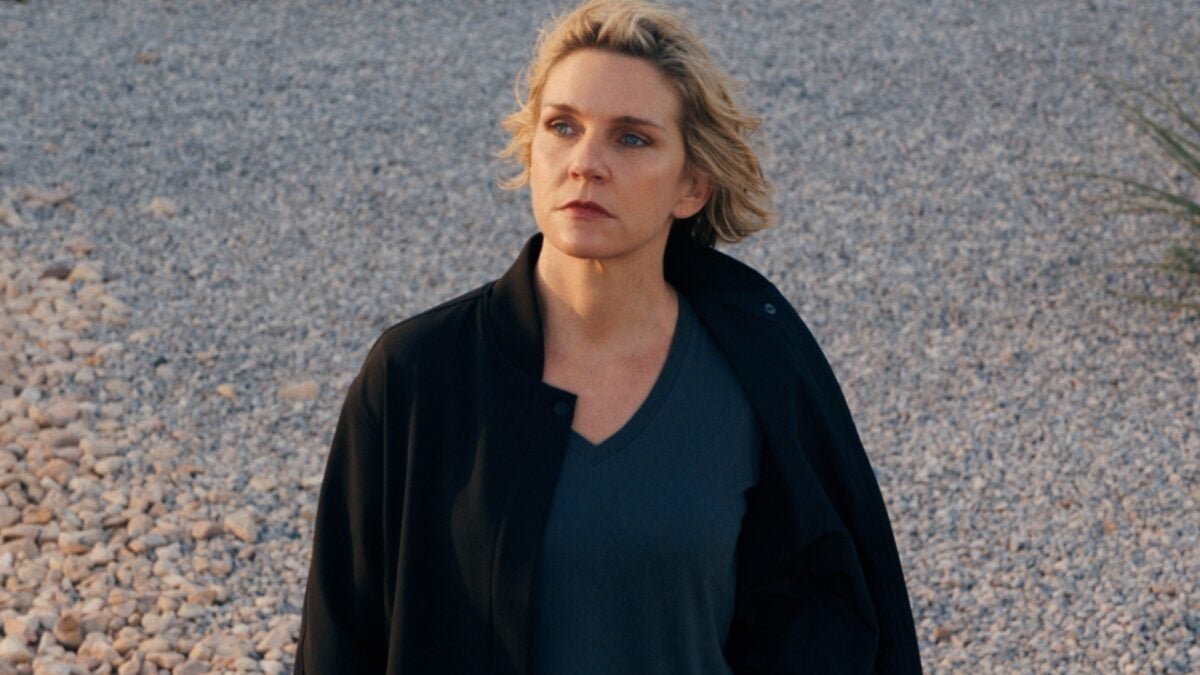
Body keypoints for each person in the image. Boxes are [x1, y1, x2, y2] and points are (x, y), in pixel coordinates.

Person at [294, 0, 921, 673]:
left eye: (631, 138)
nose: (586, 162)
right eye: (562, 126)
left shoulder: (760, 367)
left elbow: (838, 616)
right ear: (531, 149)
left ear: (692, 186)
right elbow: (340, 641)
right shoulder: (417, 375)